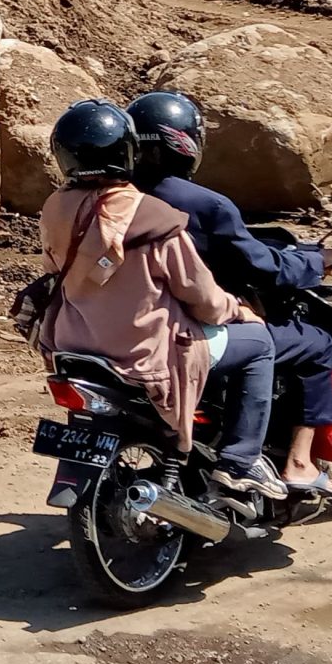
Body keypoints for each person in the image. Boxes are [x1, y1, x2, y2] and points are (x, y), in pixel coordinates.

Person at [36, 100, 287, 499]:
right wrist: (238, 311)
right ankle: (239, 464)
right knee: (259, 345)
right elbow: (201, 296)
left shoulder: (55, 208)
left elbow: (52, 268)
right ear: (127, 152)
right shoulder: (156, 217)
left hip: (73, 346)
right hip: (142, 352)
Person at [126, 90, 332, 494]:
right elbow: (260, 266)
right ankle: (287, 463)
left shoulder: (108, 201)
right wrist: (315, 261)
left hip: (110, 332)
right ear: (187, 143)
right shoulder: (205, 205)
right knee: (312, 342)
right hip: (182, 333)